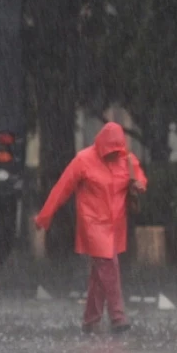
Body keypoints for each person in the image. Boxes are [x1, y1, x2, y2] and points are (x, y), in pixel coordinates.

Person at [33, 122, 147, 334]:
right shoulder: (83, 160)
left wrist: (139, 184)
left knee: (99, 273)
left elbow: (139, 176)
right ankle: (118, 316)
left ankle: (90, 319)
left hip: (114, 225)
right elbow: (61, 189)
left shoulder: (126, 160)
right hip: (92, 223)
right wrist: (44, 217)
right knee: (108, 265)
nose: (114, 154)